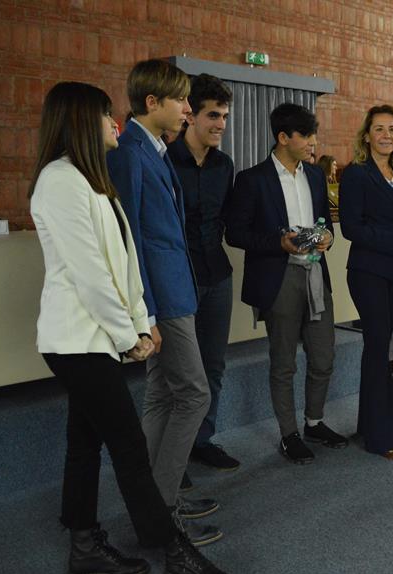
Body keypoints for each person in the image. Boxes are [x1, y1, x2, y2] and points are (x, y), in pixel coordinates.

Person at [29, 81, 232, 574]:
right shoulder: (59, 180)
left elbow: (125, 261)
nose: (113, 122)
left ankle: (84, 546)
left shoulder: (90, 176)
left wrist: (139, 320)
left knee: (84, 443)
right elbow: (91, 273)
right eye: (104, 116)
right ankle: (171, 548)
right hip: (75, 340)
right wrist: (129, 335)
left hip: (95, 337)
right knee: (128, 447)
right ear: (81, 122)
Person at [107, 59, 222, 546]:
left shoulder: (154, 148)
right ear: (151, 102)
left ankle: (152, 502)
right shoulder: (130, 153)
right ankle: (162, 510)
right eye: (181, 100)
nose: (188, 109)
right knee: (194, 394)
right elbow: (129, 239)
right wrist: (146, 313)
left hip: (176, 291)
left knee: (162, 394)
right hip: (161, 300)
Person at [224, 103, 346, 465]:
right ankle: (289, 434)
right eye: (305, 136)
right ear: (282, 137)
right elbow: (235, 233)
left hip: (316, 276)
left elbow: (325, 224)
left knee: (323, 357)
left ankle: (314, 423)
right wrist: (278, 243)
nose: (313, 142)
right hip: (279, 278)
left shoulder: (315, 176)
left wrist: (327, 238)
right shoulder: (252, 179)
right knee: (284, 363)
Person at [166, 74, 240, 480]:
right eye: (213, 115)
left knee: (213, 366)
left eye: (224, 116)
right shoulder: (164, 160)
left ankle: (201, 441)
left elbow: (227, 221)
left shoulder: (224, 166)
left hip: (217, 276)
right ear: (190, 115)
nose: (221, 124)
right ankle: (172, 455)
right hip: (178, 280)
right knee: (178, 376)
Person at [339, 105, 393, 459]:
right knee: (377, 348)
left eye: (392, 129)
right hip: (368, 271)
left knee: (377, 346)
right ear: (367, 135)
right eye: (379, 129)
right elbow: (351, 228)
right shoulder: (356, 174)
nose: (386, 135)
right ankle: (382, 435)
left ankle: (367, 424)